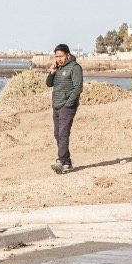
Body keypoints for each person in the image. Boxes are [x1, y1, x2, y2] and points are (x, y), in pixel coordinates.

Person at [46, 43, 83, 174]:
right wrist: (52, 72)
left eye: (61, 56)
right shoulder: (58, 68)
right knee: (57, 134)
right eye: (57, 56)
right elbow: (48, 84)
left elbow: (78, 87)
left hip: (67, 106)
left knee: (63, 133)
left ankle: (61, 161)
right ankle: (67, 162)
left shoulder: (75, 67)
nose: (59, 59)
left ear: (67, 55)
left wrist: (69, 103)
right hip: (56, 104)